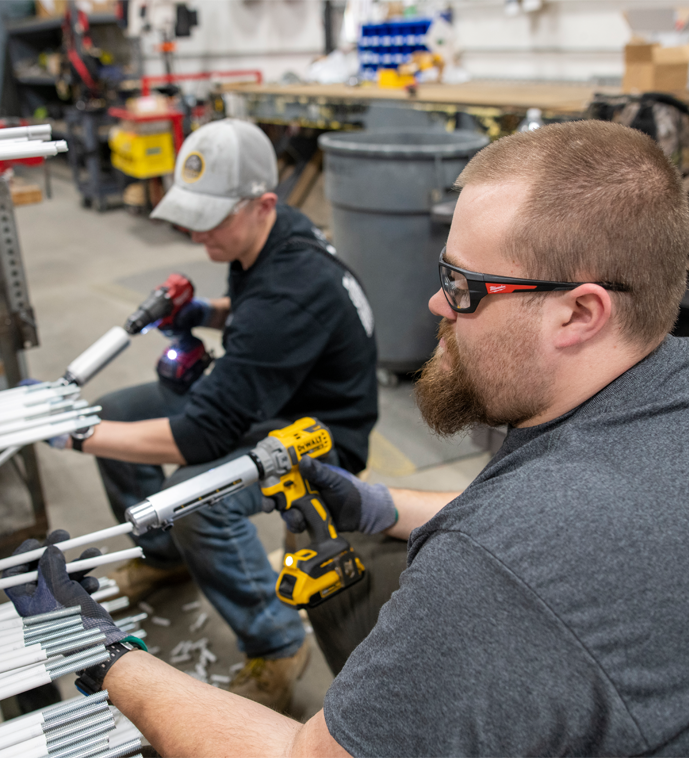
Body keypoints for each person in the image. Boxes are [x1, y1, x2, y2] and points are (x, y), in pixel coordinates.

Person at [9, 118, 689, 756]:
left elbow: (306, 756)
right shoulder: (653, 396)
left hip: (334, 449)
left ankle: (277, 647)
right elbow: (539, 537)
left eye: (461, 285)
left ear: (578, 313)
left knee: (227, 518)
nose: (434, 304)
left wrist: (106, 659)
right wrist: (381, 505)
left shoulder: (491, 568)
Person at [50, 118, 379, 710]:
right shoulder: (275, 237)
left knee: (195, 498)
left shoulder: (292, 287)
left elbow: (200, 435)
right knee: (118, 409)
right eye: (192, 214)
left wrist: (77, 437)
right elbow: (256, 315)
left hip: (320, 435)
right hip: (273, 396)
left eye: (213, 217)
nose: (198, 233)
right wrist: (205, 311)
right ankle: (166, 561)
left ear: (263, 204)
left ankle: (277, 643)